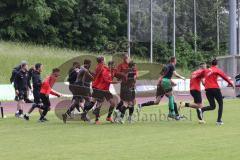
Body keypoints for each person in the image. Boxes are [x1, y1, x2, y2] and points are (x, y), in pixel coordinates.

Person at [199, 59, 234, 126]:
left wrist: (203, 83)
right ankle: (218, 121)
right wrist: (231, 83)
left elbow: (200, 76)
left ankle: (202, 109)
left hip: (208, 90)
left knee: (213, 106)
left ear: (211, 64)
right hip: (215, 89)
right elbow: (225, 77)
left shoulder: (206, 70)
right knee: (220, 104)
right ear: (217, 65)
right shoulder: (217, 70)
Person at [115, 54, 138, 124]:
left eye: (127, 58)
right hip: (128, 88)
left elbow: (122, 77)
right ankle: (122, 116)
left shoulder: (128, 70)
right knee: (128, 103)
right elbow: (117, 74)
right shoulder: (130, 70)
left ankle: (120, 114)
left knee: (129, 102)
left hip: (127, 87)